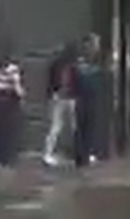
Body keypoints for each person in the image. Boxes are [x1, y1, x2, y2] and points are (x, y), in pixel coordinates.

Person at [42, 43, 77, 166]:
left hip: (69, 97)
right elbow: (51, 82)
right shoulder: (61, 65)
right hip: (62, 97)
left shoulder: (70, 65)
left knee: (72, 126)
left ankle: (77, 152)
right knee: (57, 126)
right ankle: (48, 154)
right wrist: (51, 95)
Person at [71, 34, 103, 166]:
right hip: (82, 99)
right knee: (82, 127)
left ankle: (85, 154)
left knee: (89, 127)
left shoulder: (96, 62)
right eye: (94, 45)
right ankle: (81, 155)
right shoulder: (80, 63)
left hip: (91, 99)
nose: (95, 48)